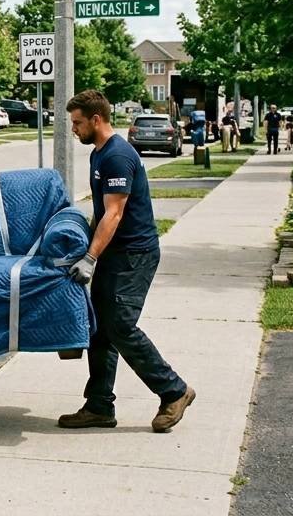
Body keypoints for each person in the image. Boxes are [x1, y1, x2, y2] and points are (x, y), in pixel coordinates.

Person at [60, 90, 195, 434]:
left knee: (120, 325)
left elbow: (115, 213)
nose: (73, 129)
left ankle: (174, 390)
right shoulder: (99, 154)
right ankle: (99, 406)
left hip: (134, 255)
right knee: (100, 330)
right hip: (115, 253)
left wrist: (91, 257)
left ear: (95, 119)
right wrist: (86, 249)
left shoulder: (117, 156)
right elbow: (101, 212)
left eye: (77, 122)